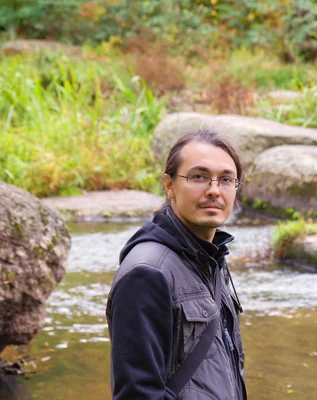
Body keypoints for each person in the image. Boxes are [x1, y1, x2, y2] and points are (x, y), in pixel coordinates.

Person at [106, 129, 247, 399]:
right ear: (169, 185)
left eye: (226, 179)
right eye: (198, 177)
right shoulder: (147, 274)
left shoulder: (211, 257)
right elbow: (138, 393)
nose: (214, 191)